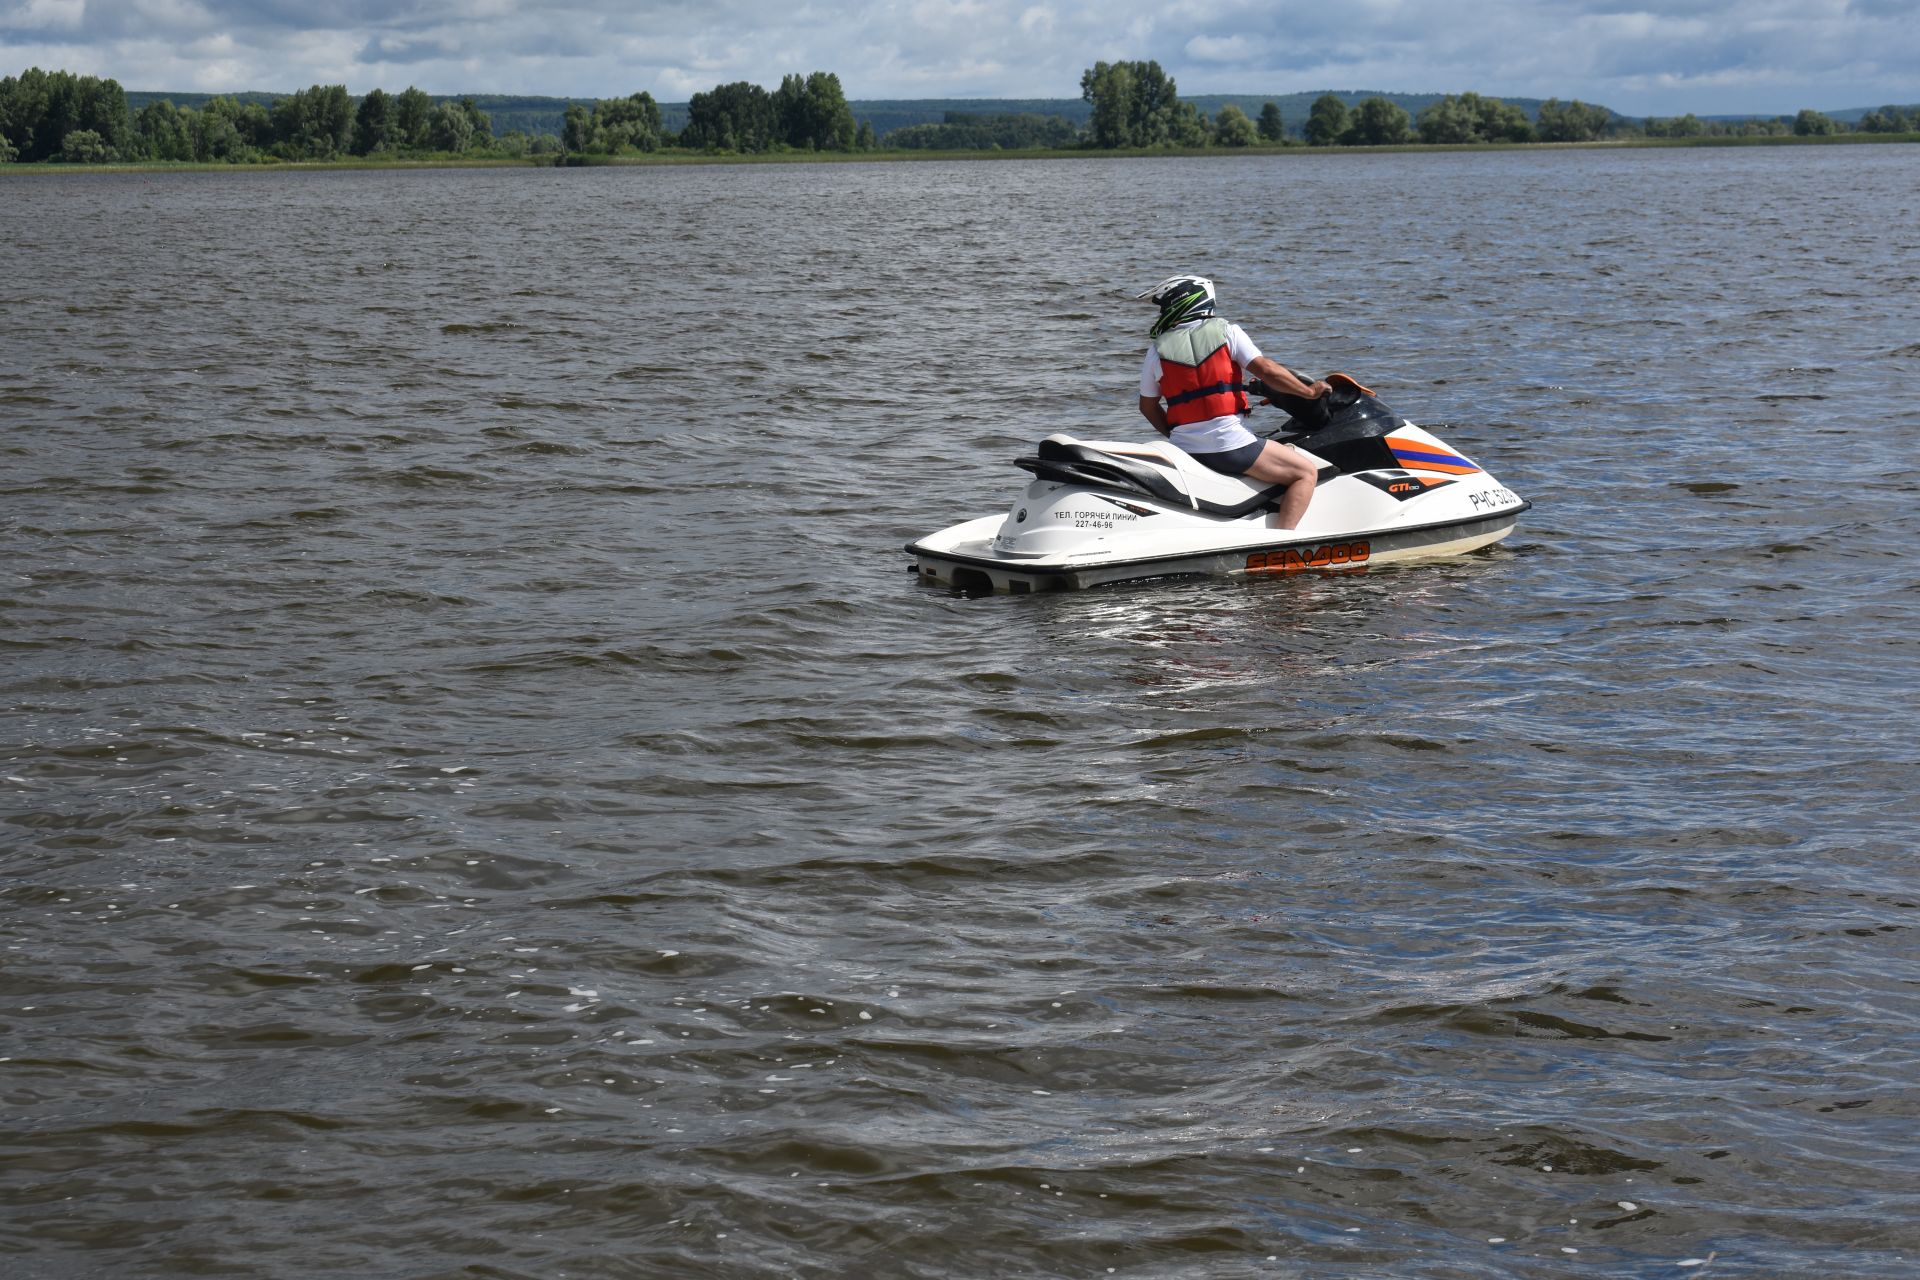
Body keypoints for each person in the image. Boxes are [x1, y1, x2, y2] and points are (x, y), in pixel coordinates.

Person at [1135, 274, 1328, 530]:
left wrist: (1180, 435)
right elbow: (1267, 371)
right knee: (1305, 472)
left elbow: (1147, 406)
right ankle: (1282, 541)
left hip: (1185, 450)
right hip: (1230, 446)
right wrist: (1309, 392)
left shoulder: (1156, 350)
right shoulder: (1227, 331)